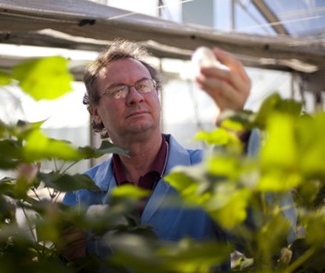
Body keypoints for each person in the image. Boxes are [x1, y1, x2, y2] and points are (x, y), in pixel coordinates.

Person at [61, 40, 296, 271]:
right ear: (96, 112)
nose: (135, 97)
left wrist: (237, 130)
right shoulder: (82, 193)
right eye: (118, 90)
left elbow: (270, 242)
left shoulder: (210, 172)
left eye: (144, 85)